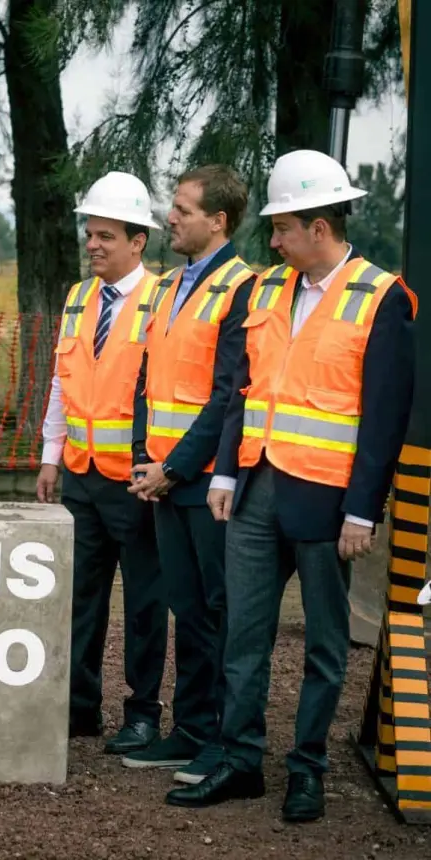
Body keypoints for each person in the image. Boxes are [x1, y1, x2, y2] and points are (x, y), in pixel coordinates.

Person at [166, 150, 416, 822]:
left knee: (325, 650)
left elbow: (385, 417)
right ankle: (239, 760)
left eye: (282, 228)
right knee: (241, 638)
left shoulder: (382, 297)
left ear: (320, 227)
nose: (271, 241)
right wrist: (224, 469)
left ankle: (308, 768)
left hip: (330, 503)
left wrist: (364, 510)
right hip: (255, 489)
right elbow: (241, 391)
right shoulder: (265, 291)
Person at [123, 165, 256, 785]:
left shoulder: (241, 288)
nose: (169, 217)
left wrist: (173, 469)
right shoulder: (173, 284)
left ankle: (223, 743)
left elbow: (229, 394)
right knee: (187, 609)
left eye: (181, 208)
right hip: (166, 478)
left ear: (218, 221)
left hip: (204, 484)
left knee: (216, 612)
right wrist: (144, 462)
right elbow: (151, 380)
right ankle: (193, 731)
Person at [35, 171, 168, 756]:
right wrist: (51, 455)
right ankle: (78, 707)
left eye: (106, 236)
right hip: (83, 478)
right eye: (90, 234)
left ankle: (142, 715)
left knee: (144, 604)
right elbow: (63, 382)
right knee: (79, 598)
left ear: (138, 242)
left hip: (138, 484)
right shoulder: (77, 297)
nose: (93, 244)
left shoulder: (163, 299)